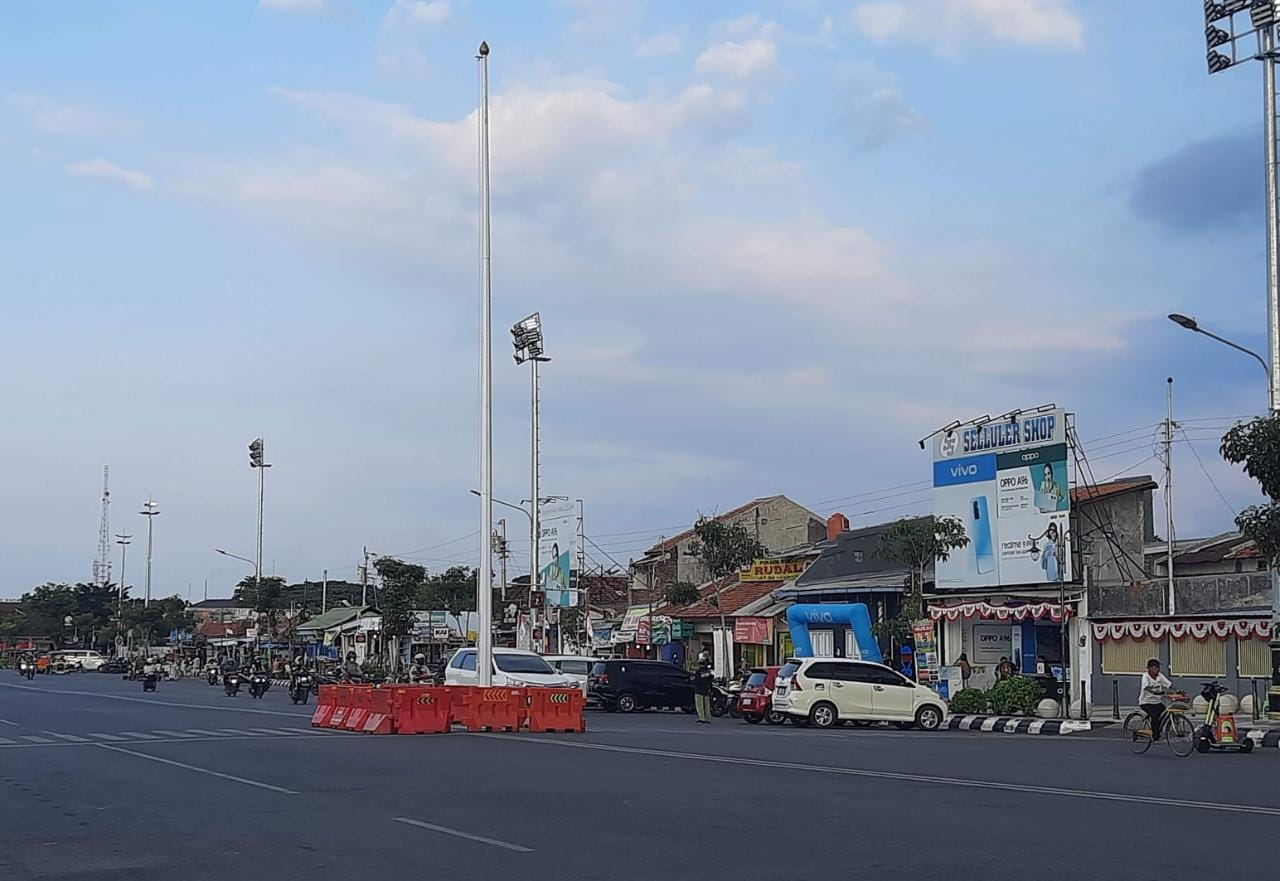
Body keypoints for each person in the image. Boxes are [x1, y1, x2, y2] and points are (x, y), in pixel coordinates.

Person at [1138, 658, 1177, 738]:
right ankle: (1154, 734)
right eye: (1155, 667)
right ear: (1150, 668)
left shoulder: (1160, 676)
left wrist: (1178, 691)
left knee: (1163, 711)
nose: (1157, 669)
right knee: (1154, 715)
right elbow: (1146, 687)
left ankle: (1158, 729)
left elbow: (1169, 684)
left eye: (1158, 667)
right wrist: (1155, 692)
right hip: (1146, 702)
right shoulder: (1145, 676)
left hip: (1157, 702)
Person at [692, 658, 714, 724]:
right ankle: (707, 718)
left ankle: (702, 718)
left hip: (699, 690)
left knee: (699, 705)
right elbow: (711, 679)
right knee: (706, 705)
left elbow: (696, 681)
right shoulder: (707, 672)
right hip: (706, 690)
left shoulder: (698, 672)